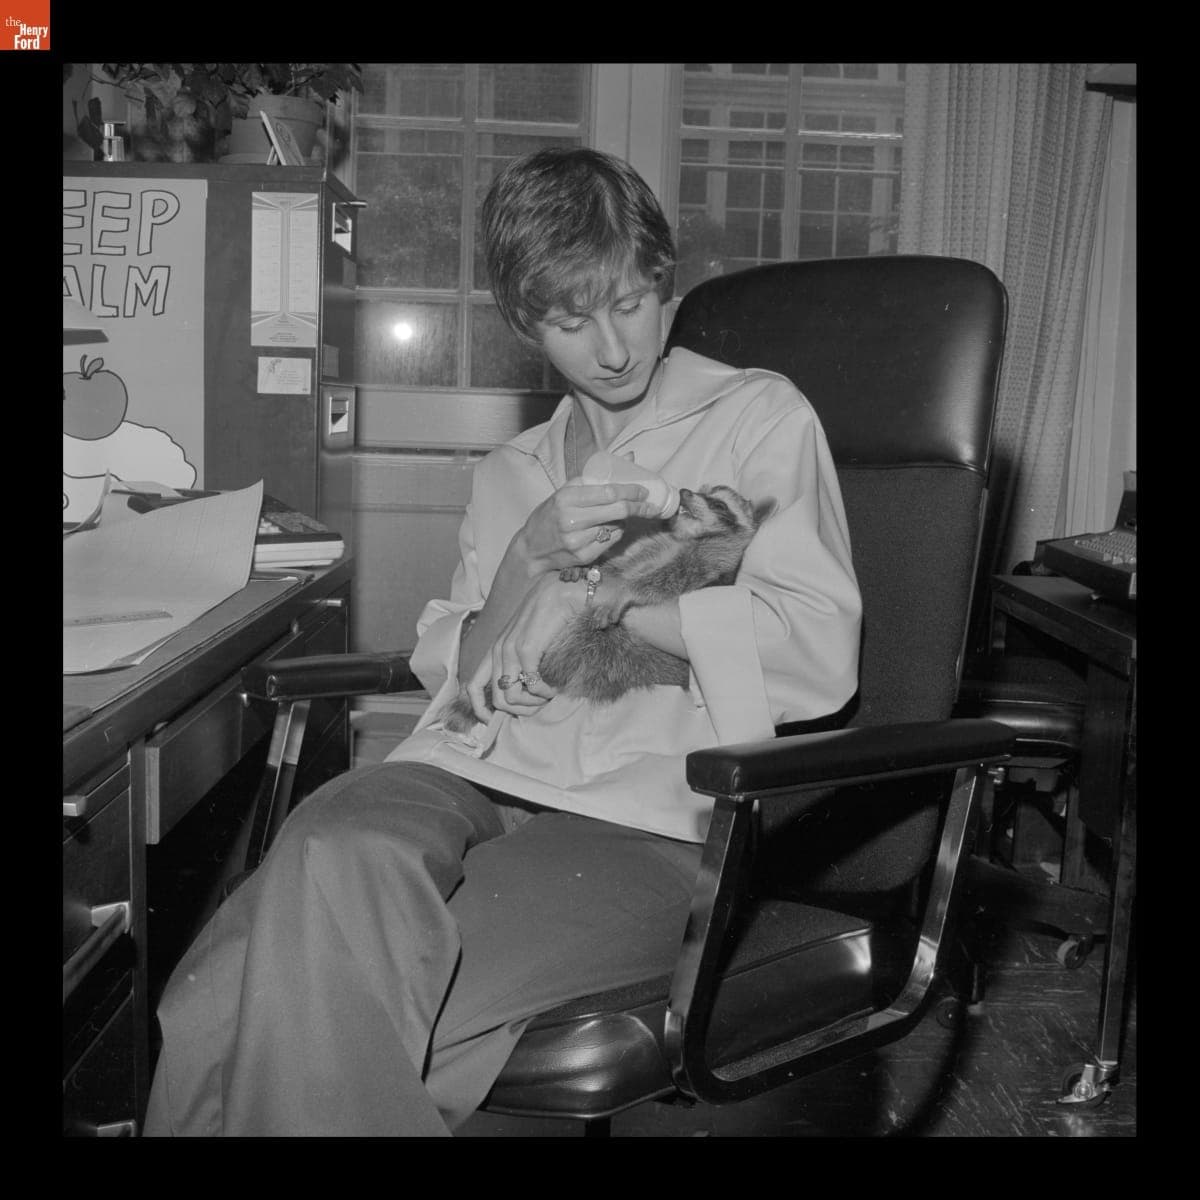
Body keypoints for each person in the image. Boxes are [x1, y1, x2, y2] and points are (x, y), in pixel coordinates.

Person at [144, 148, 862, 1137]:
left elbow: (818, 651)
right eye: (572, 322)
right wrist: (529, 555)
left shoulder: (754, 420)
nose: (612, 349)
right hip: (470, 769)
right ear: (528, 326)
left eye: (631, 306)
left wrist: (623, 605)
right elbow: (471, 676)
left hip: (643, 812)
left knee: (240, 999)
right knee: (336, 840)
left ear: (666, 285)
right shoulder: (510, 471)